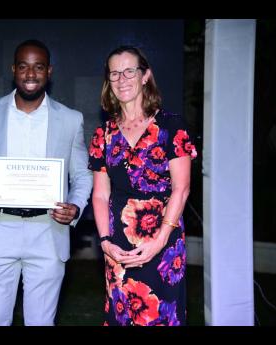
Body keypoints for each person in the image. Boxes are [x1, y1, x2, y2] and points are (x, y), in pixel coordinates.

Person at [0, 39, 93, 326]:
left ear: (49, 71)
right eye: (23, 66)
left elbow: (82, 175)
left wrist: (76, 207)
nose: (31, 74)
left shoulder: (70, 119)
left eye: (38, 67)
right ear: (13, 70)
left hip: (48, 232)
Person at [88, 46, 197, 326]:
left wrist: (159, 242)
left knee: (161, 315)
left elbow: (181, 188)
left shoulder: (172, 126)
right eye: (114, 73)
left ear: (145, 75)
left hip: (164, 242)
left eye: (129, 71)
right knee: (123, 314)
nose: (122, 79)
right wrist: (105, 242)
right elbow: (100, 194)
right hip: (118, 246)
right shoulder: (103, 134)